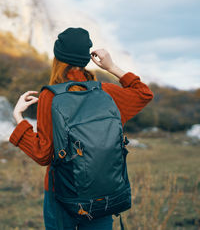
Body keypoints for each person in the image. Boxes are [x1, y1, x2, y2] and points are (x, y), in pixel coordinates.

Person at [9, 27, 154, 229]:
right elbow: (143, 94)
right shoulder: (107, 93)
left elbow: (43, 154)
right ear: (86, 60)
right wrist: (111, 67)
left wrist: (19, 118)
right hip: (103, 190)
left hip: (61, 193)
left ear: (57, 59)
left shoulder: (50, 97)